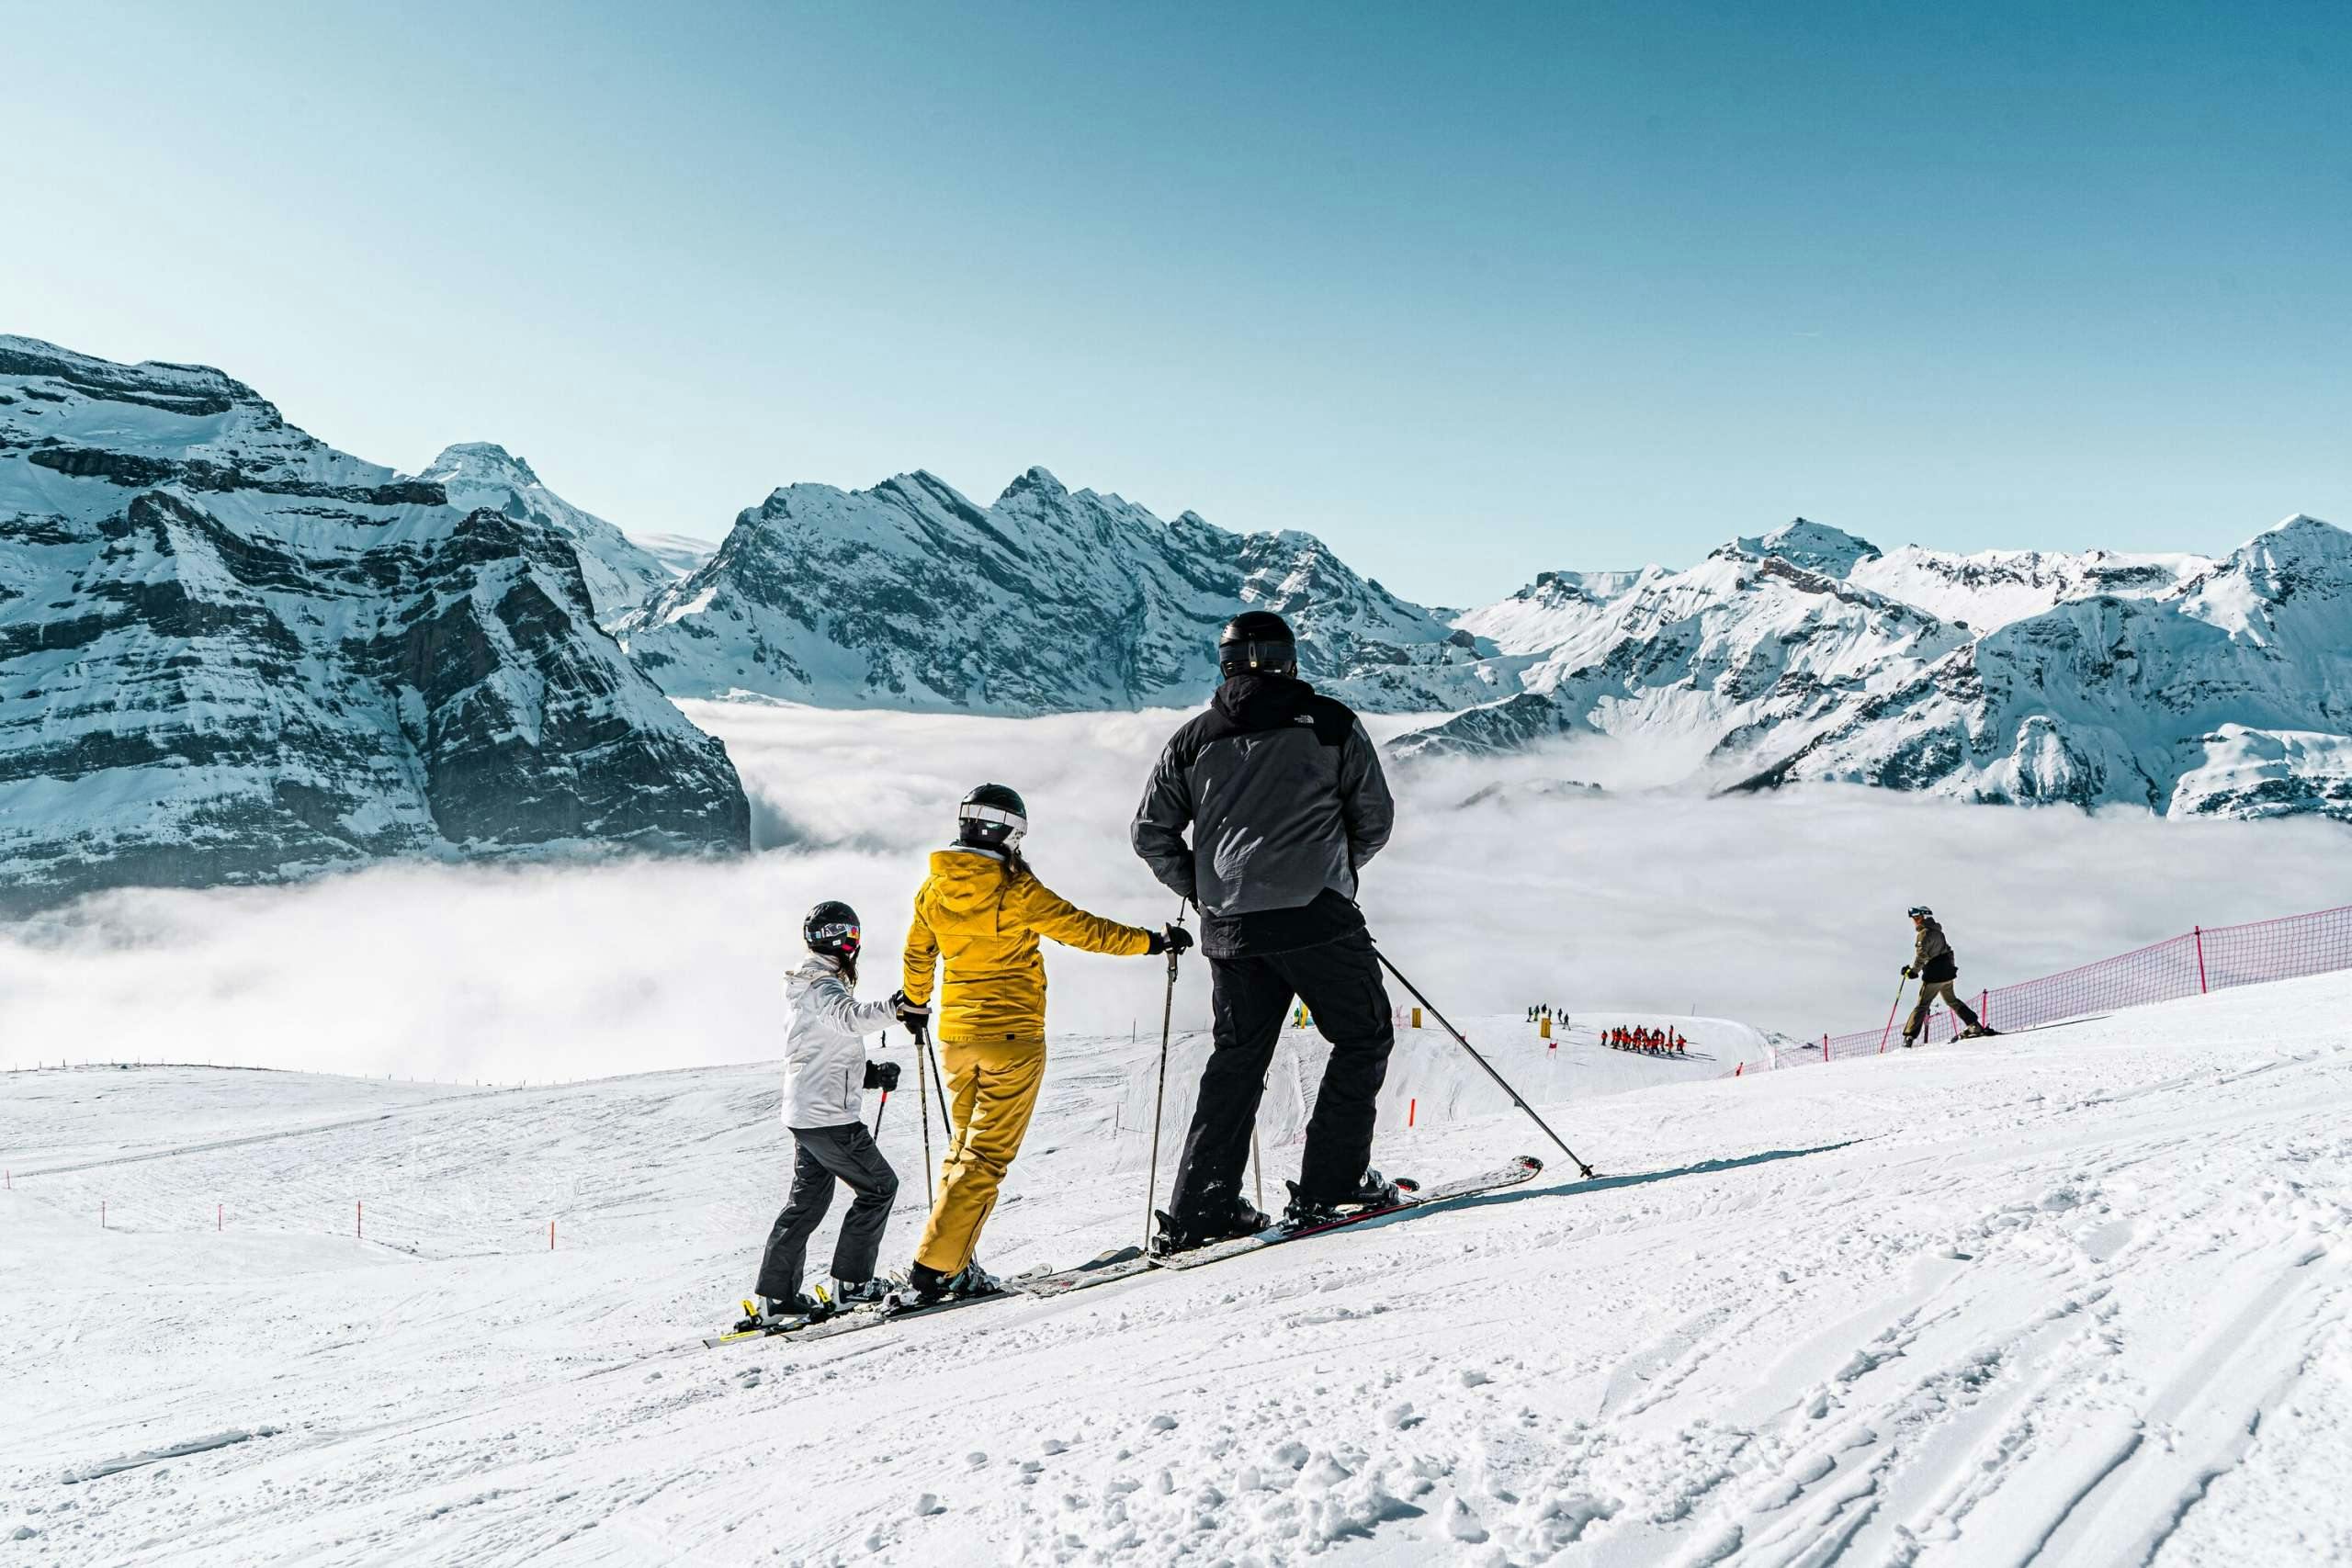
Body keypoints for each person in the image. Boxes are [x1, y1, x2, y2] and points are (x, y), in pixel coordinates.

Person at [1133, 609, 1400, 1252]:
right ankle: (1330, 1185)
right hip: (1318, 918)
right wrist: (1328, 871)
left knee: (1237, 1061)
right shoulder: (1332, 724)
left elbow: (1151, 832)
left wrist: (1205, 890)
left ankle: (1201, 1210)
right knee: (1363, 1035)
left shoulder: (1192, 740)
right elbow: (1375, 817)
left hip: (1230, 930)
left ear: (1224, 664)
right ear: (1289, 659)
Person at [898, 784, 1182, 1303]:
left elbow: (919, 955)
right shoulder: (1016, 891)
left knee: (963, 1151)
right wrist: (1152, 941)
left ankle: (952, 1260)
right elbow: (1084, 930)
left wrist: (916, 1005)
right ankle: (934, 1268)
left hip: (956, 1039)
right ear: (1011, 834)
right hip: (1012, 1038)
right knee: (985, 1158)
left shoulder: (932, 889)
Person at [747, 900, 919, 1325]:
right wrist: (896, 1009)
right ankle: (853, 1286)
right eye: (854, 938)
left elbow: (822, 1050)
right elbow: (848, 1020)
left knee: (805, 1205)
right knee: (879, 1187)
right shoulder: (824, 986)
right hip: (829, 1117)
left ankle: (778, 1298)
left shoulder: (809, 986)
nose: (856, 946)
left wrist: (869, 1073)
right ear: (845, 940)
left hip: (808, 1113)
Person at [1901, 906, 1998, 1046]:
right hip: (1947, 974)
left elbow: (1921, 956)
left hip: (1934, 976)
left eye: (1917, 918)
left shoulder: (1924, 934)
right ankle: (1974, 1025)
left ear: (1924, 917)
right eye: (1914, 918)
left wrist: (1913, 972)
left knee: (1922, 1005)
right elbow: (1948, 950)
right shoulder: (1939, 932)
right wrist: (1950, 969)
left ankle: (1909, 1037)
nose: (1915, 921)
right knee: (1952, 1000)